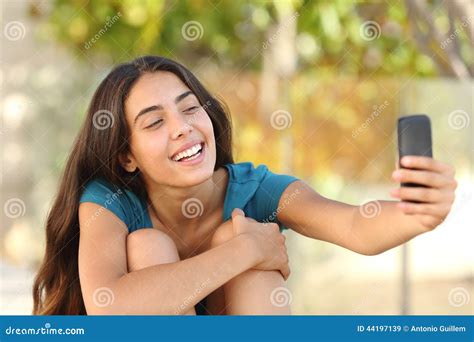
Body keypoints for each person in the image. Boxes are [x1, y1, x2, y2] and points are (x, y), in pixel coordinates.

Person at [32, 56, 457, 315]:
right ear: (127, 155)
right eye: (156, 122)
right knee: (150, 246)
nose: (183, 129)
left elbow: (354, 226)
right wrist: (246, 249)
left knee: (233, 233)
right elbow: (109, 307)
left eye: (190, 109)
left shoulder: (254, 190)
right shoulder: (107, 201)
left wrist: (419, 213)